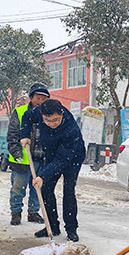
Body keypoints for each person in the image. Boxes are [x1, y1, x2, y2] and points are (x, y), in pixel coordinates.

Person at [20, 98, 86, 242]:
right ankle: (52, 226)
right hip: (51, 155)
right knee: (45, 190)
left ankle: (71, 229)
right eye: (47, 121)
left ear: (61, 113)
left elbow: (62, 160)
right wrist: (24, 135)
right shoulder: (39, 111)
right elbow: (26, 117)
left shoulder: (71, 130)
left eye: (55, 120)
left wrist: (42, 176)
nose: (52, 124)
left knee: (68, 191)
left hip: (72, 158)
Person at [6, 82, 49, 226]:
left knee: (37, 188)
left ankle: (33, 212)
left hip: (41, 159)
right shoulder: (20, 112)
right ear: (31, 97)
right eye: (38, 98)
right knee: (18, 188)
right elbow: (12, 135)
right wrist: (16, 152)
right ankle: (16, 213)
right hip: (22, 159)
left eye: (44, 98)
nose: (41, 101)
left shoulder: (48, 114)